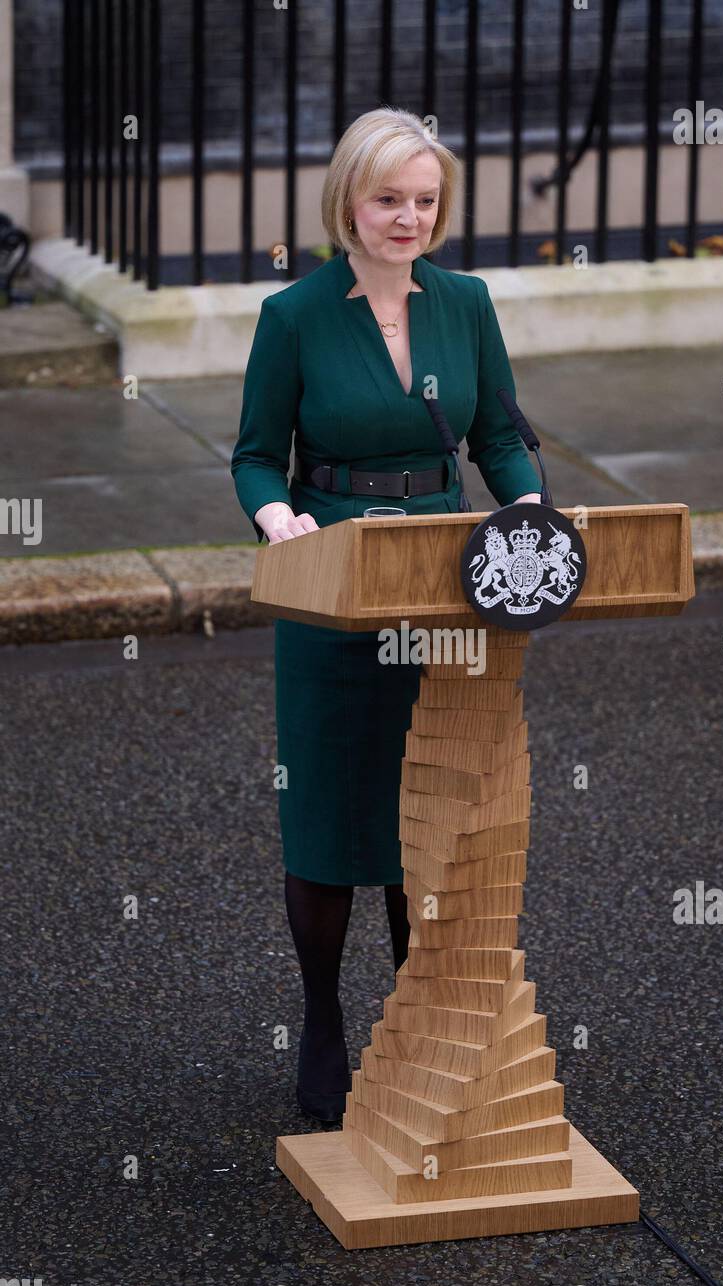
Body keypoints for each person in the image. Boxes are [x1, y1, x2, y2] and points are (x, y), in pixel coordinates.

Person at [230, 107, 541, 1123]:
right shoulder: (296, 316)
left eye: (423, 201)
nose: (406, 218)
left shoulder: (466, 302)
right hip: (330, 583)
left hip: (442, 575)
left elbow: (497, 432)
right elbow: (251, 453)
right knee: (328, 810)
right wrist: (277, 516)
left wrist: (530, 508)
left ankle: (420, 1017)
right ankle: (323, 1015)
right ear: (347, 202)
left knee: (430, 808)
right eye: (387, 199)